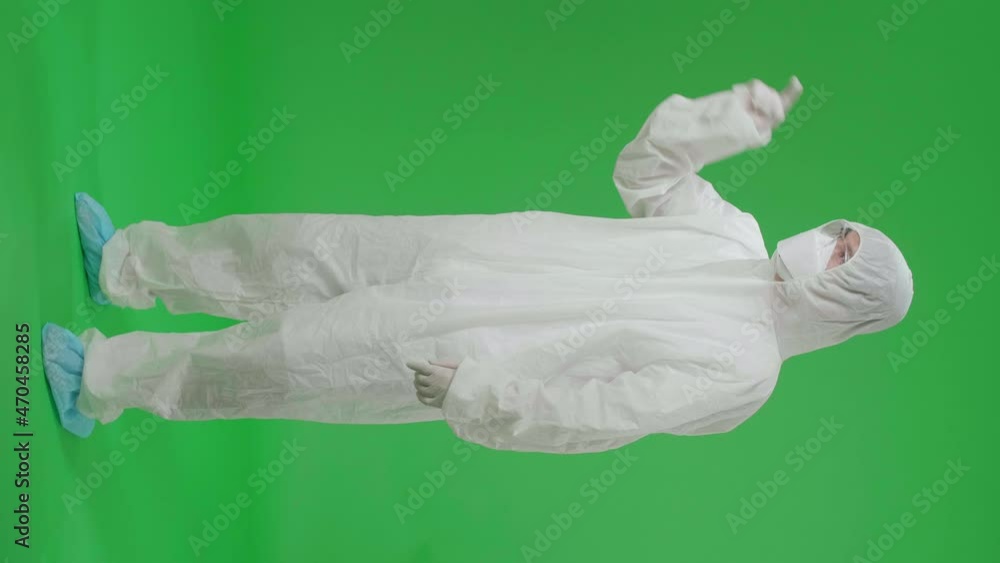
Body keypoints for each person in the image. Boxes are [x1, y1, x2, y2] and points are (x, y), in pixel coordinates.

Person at [43, 76, 913, 453]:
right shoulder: (731, 236)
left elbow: (604, 412)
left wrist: (480, 393)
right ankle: (130, 262)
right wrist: (728, 120)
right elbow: (647, 173)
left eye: (845, 260)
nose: (827, 246)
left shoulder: (747, 369)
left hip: (469, 345)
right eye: (842, 234)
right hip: (475, 249)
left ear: (851, 305)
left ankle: (103, 381)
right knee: (298, 244)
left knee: (288, 357)